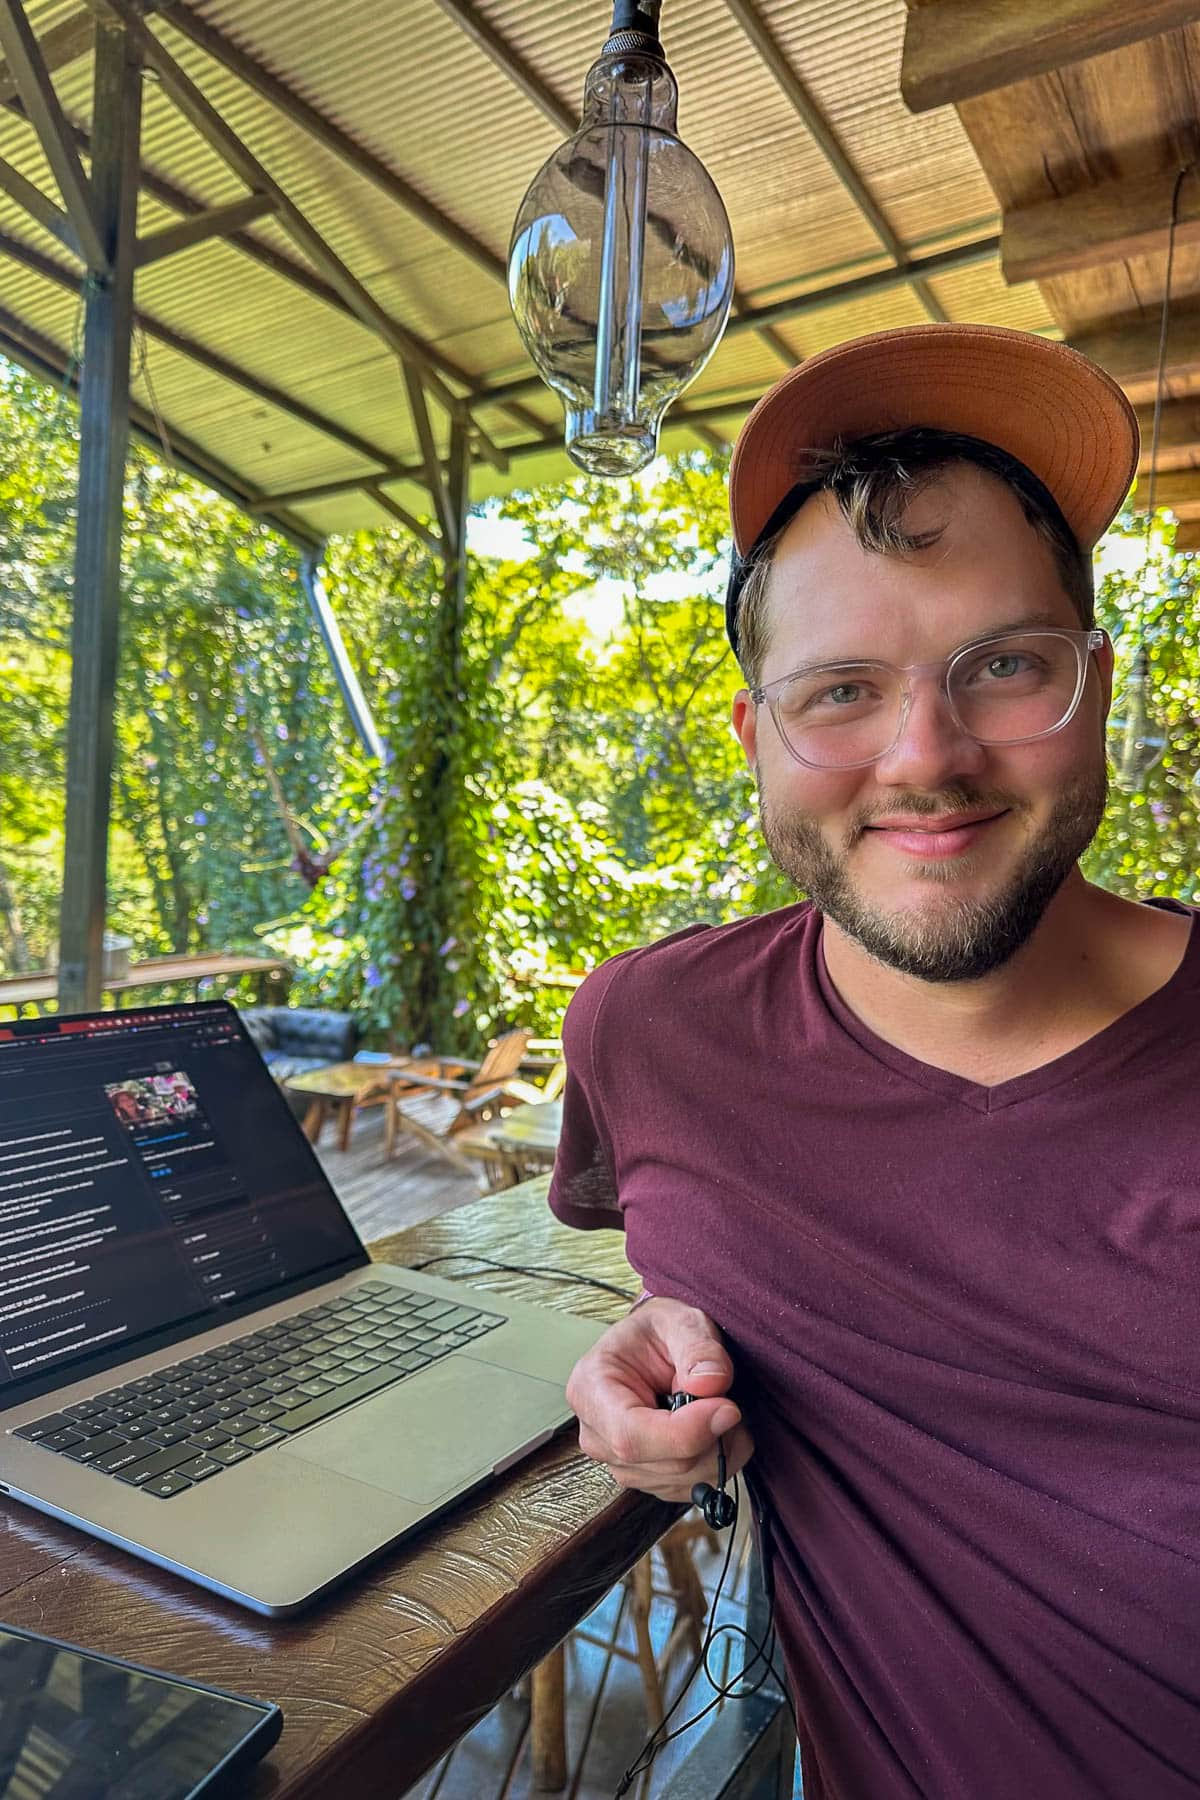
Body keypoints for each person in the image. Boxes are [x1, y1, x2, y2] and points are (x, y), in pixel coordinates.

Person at [548, 324, 1200, 1800]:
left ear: (1096, 683)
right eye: (840, 690)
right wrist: (648, 1334)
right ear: (753, 735)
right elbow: (688, 1247)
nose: (924, 755)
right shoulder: (652, 1035)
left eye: (1005, 666)